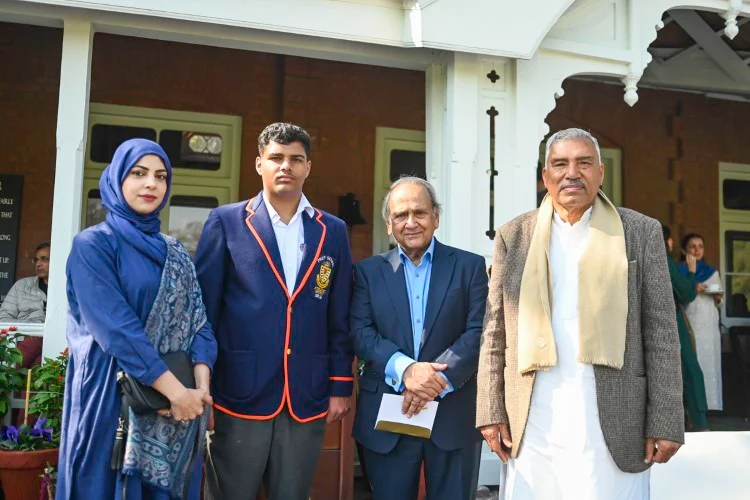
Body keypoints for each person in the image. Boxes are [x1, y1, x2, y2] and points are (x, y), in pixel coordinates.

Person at [477, 128, 684, 500]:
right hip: (534, 415)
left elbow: (662, 334)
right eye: (560, 164)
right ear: (546, 176)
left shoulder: (640, 233)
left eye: (584, 163)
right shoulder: (514, 236)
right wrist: (490, 410)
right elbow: (495, 332)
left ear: (600, 173)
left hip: (615, 414)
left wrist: (667, 419)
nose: (571, 173)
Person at [195, 122, 354, 500]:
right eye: (276, 158)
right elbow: (204, 312)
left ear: (308, 167)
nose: (286, 166)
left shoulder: (333, 230)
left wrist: (340, 385)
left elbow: (339, 313)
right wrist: (203, 385)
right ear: (258, 164)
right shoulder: (227, 222)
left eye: (296, 159)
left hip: (306, 392)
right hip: (238, 390)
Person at [56, 139, 216, 500]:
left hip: (179, 407)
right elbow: (117, 329)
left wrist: (200, 387)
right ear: (116, 179)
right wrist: (177, 393)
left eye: (161, 176)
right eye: (139, 173)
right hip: (111, 395)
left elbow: (199, 321)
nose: (151, 184)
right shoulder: (94, 245)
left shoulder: (174, 250)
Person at [350, 177, 488, 500]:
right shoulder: (368, 272)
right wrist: (407, 371)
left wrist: (432, 381)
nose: (410, 222)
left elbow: (479, 331)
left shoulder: (469, 267)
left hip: (454, 414)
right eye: (401, 215)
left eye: (420, 213)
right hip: (388, 416)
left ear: (436, 217)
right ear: (389, 224)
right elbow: (360, 332)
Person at [664, 225, 709, 430]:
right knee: (691, 371)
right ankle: (700, 423)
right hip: (671, 321)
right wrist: (691, 273)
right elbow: (686, 293)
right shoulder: (665, 260)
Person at [678, 232, 723, 410]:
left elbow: (720, 300)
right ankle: (691, 408)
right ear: (684, 250)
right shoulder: (679, 271)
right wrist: (692, 287)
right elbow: (676, 297)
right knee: (692, 362)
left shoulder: (712, 272)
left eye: (701, 246)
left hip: (709, 322)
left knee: (708, 362)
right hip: (690, 321)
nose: (697, 250)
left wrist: (718, 296)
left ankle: (710, 406)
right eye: (692, 246)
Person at [0, 242, 50, 367]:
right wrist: (31, 327)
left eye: (44, 259)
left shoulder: (68, 287)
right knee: (37, 341)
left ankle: (12, 374)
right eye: (36, 260)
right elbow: (3, 318)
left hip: (53, 339)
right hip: (22, 341)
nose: (38, 264)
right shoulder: (21, 285)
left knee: (42, 356)